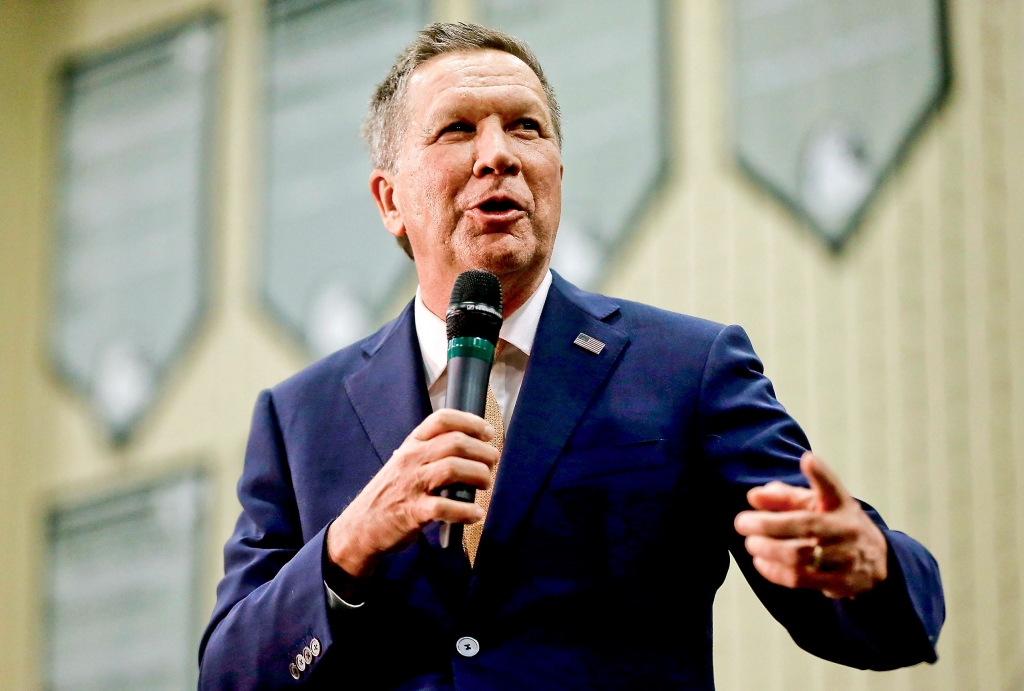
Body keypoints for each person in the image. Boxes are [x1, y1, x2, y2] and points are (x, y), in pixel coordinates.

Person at [198, 22, 944, 690]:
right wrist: (353, 539)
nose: (499, 156)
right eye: (458, 130)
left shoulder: (687, 368)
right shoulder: (300, 417)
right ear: (389, 198)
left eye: (527, 128)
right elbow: (230, 673)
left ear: (557, 170)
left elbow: (856, 601)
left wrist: (868, 566)